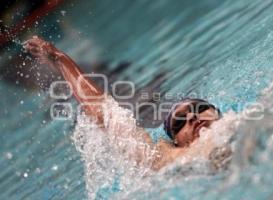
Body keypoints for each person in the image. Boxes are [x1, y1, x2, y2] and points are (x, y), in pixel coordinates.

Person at [24, 36, 222, 170]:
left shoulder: (238, 123)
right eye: (179, 122)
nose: (192, 117)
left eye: (199, 108)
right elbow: (106, 113)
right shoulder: (166, 160)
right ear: (175, 142)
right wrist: (60, 59)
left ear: (216, 112)